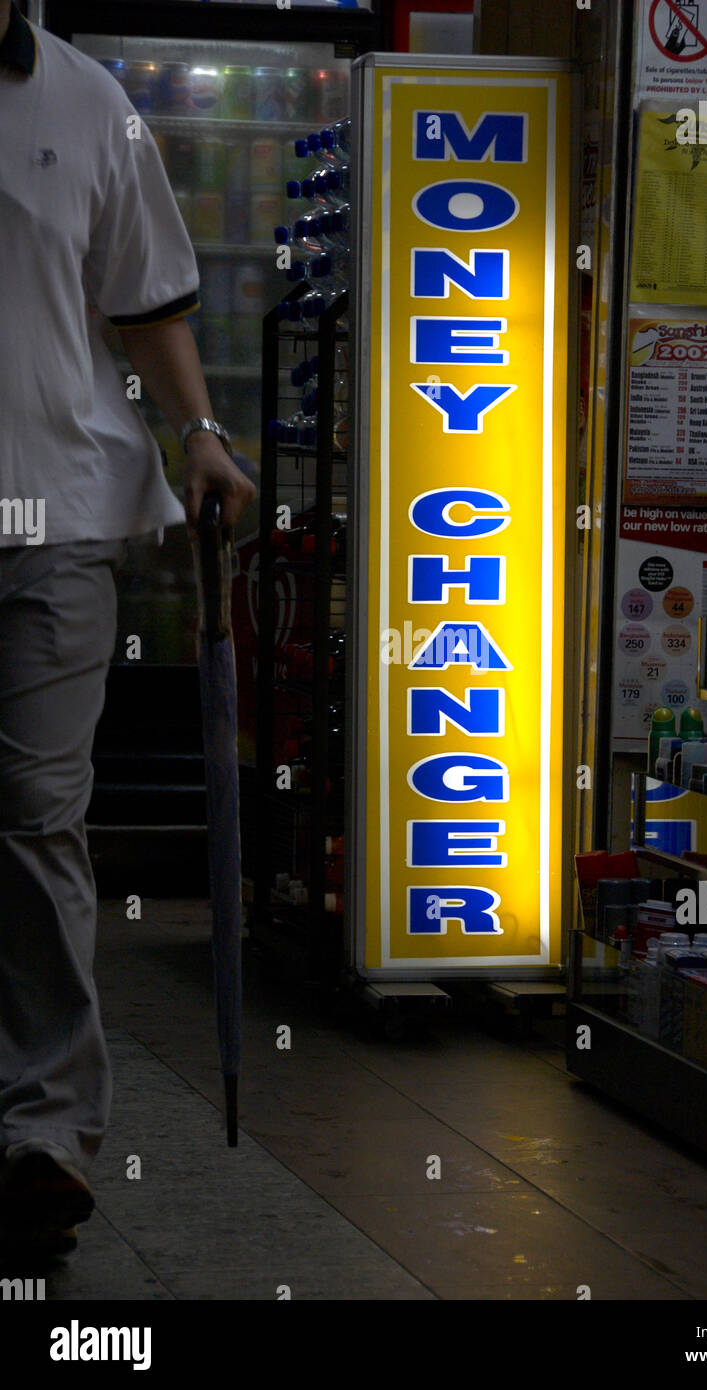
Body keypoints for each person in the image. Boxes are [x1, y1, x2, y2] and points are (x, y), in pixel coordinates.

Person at [0, 1, 256, 1257]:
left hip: (55, 519)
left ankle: (42, 1128)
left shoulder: (92, 105)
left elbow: (143, 311)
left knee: (37, 813)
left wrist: (198, 430)